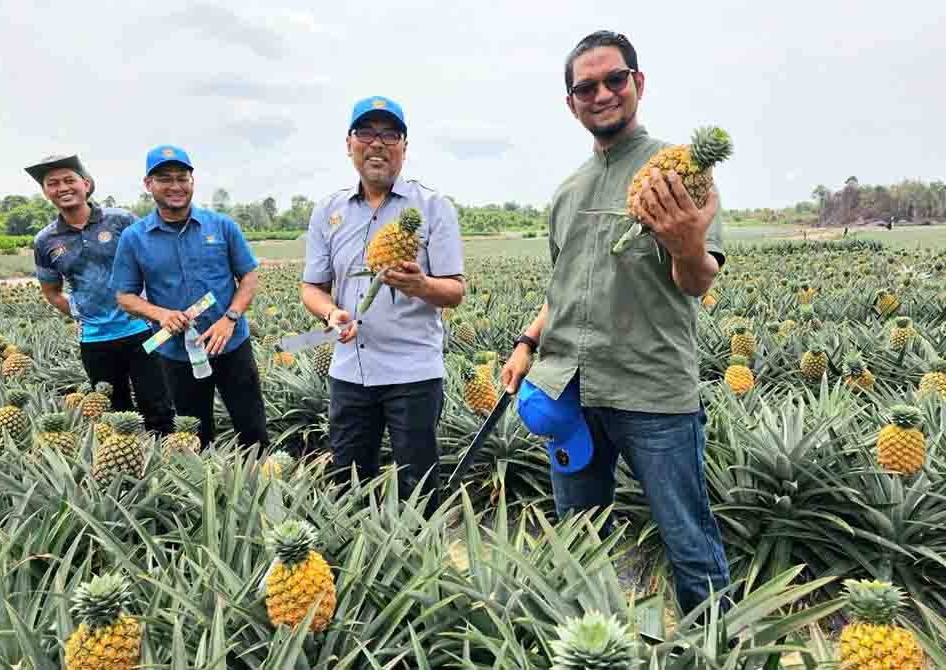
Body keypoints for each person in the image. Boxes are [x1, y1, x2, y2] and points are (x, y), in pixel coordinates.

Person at [500, 31, 731, 616]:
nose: (601, 94)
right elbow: (564, 290)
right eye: (586, 87)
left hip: (651, 391)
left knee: (689, 543)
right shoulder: (567, 191)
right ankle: (590, 642)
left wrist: (685, 244)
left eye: (614, 80)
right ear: (571, 101)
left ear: (638, 83)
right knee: (577, 540)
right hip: (569, 394)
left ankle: (716, 647)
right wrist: (528, 340)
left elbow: (698, 282)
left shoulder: (682, 173)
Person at [300, 96, 465, 515]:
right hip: (348, 372)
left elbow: (455, 291)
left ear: (404, 146)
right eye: (366, 133)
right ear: (350, 144)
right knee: (349, 486)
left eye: (390, 134)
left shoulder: (433, 207)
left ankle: (423, 566)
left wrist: (420, 284)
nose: (378, 143)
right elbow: (312, 288)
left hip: (413, 372)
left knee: (419, 489)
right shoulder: (328, 211)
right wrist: (329, 313)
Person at [110, 145, 269, 452]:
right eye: (165, 179)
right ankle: (207, 489)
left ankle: (263, 484)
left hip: (231, 344)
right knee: (194, 431)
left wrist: (230, 318)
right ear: (148, 184)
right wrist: (160, 315)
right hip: (176, 353)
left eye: (182, 178)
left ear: (192, 181)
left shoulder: (222, 225)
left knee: (252, 425)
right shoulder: (134, 237)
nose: (175, 186)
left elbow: (248, 277)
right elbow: (125, 296)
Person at [27, 153, 174, 435]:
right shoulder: (45, 240)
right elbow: (52, 291)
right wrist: (84, 315)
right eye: (53, 183)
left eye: (69, 180)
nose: (63, 188)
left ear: (86, 184)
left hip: (142, 330)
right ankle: (131, 472)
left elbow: (155, 260)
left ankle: (167, 467)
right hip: (95, 340)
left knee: (158, 404)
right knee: (115, 412)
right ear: (46, 192)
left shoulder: (120, 220)